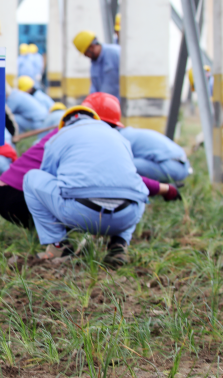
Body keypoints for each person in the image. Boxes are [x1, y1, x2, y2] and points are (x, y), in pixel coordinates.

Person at [0, 94, 179, 230]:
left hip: (9, 192)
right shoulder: (82, 139)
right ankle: (57, 245)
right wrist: (166, 189)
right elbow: (128, 181)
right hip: (16, 196)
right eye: (112, 126)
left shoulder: (70, 132)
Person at [22, 103, 148, 266]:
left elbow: (49, 176)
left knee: (31, 178)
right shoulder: (119, 137)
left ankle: (59, 247)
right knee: (135, 189)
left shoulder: (59, 137)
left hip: (81, 214)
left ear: (64, 125)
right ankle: (119, 244)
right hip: (127, 215)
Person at [72, 30, 120, 97]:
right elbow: (94, 89)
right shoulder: (94, 65)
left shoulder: (115, 53)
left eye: (86, 53)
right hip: (104, 105)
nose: (86, 56)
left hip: (118, 105)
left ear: (91, 46)